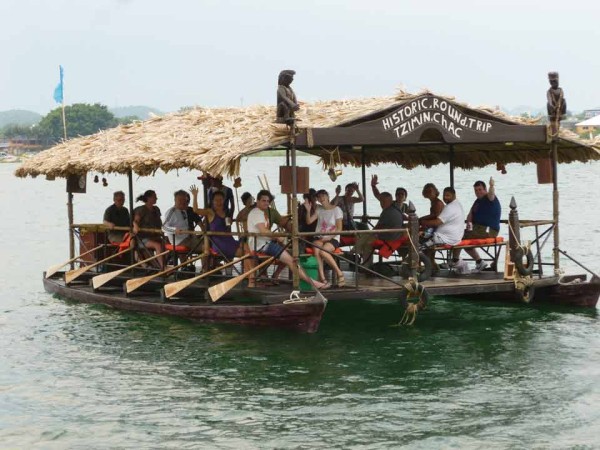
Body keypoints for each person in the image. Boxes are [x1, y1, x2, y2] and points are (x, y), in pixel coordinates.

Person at [245, 190, 328, 289]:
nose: (266, 203)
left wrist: (278, 237)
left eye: (268, 201)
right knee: (291, 261)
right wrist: (277, 236)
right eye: (263, 200)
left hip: (263, 243)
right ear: (257, 201)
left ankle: (273, 277)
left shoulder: (260, 212)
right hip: (262, 245)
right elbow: (263, 231)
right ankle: (313, 283)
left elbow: (269, 229)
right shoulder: (257, 213)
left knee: (290, 254)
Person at [452, 178, 501, 272]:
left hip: (489, 230)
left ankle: (455, 260)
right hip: (477, 229)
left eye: (480, 189)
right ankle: (479, 262)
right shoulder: (477, 201)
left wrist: (491, 186)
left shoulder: (490, 198)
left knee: (460, 236)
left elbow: (491, 194)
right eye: (476, 190)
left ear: (485, 189)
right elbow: (470, 214)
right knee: (460, 235)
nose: (478, 192)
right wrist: (469, 226)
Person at [305, 190, 345, 287]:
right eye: (319, 197)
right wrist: (308, 210)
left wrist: (328, 237)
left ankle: (340, 273)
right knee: (317, 250)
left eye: (323, 195)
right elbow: (309, 221)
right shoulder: (319, 209)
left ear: (327, 196)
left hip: (333, 237)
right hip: (319, 237)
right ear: (317, 199)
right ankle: (323, 279)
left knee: (324, 252)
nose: (321, 198)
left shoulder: (337, 210)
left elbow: (339, 229)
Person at [354, 192, 405, 267]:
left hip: (389, 238)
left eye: (384, 202)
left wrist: (370, 234)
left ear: (390, 201)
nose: (382, 204)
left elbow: (377, 227)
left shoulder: (387, 212)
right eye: (381, 201)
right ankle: (357, 253)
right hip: (394, 235)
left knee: (367, 241)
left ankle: (364, 263)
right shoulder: (396, 208)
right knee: (365, 237)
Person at [191, 185, 238, 260]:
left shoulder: (226, 212)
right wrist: (195, 195)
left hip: (228, 239)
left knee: (245, 247)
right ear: (212, 202)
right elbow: (196, 210)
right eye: (216, 200)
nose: (219, 202)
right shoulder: (210, 212)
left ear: (224, 200)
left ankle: (233, 270)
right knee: (243, 252)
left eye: (221, 200)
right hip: (218, 242)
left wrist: (229, 222)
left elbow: (228, 226)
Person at [162, 189, 203, 259]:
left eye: (184, 200)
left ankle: (204, 268)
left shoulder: (185, 210)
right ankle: (205, 269)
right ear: (175, 200)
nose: (183, 202)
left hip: (189, 237)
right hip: (179, 240)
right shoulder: (171, 212)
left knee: (206, 246)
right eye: (180, 200)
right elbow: (164, 227)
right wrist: (174, 230)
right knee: (204, 248)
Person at [132, 190, 164, 268]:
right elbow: (135, 221)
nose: (156, 198)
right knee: (158, 246)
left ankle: (162, 263)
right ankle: (162, 267)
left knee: (168, 243)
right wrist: (135, 226)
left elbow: (159, 222)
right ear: (148, 198)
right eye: (154, 197)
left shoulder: (156, 209)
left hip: (155, 236)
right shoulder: (141, 210)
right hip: (143, 238)